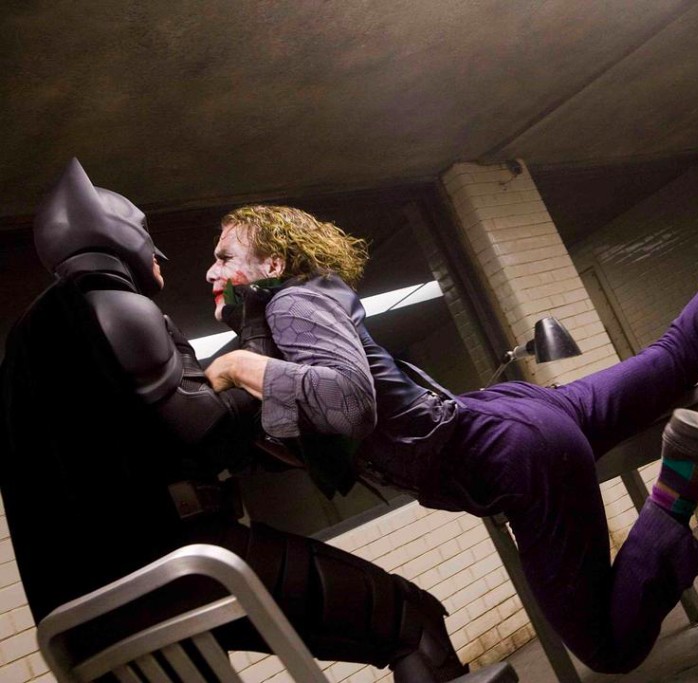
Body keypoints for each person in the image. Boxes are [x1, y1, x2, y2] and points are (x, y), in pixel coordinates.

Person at [203, 188, 698, 673]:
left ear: (273, 265)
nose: (212, 270)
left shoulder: (290, 305)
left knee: (608, 649)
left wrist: (234, 363)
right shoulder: (300, 313)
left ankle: (684, 471)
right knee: (674, 353)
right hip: (520, 414)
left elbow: (348, 400)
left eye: (226, 256)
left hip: (508, 451)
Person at [0, 159, 477, 683]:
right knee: (411, 618)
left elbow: (150, 447)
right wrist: (249, 343)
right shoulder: (118, 307)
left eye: (224, 257)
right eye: (147, 237)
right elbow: (207, 438)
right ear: (115, 234)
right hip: (181, 566)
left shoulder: (28, 341)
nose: (162, 255)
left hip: (82, 619)